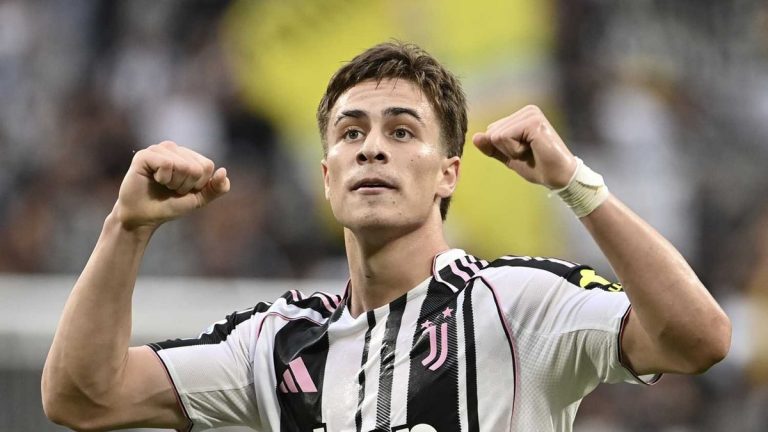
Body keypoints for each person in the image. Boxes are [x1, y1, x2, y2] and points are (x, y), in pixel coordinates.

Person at [41, 42, 731, 432]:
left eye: (402, 131)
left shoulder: (517, 305)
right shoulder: (276, 345)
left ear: (447, 173)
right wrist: (126, 227)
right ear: (328, 176)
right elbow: (82, 396)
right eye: (351, 133)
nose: (372, 148)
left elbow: (698, 338)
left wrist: (575, 183)